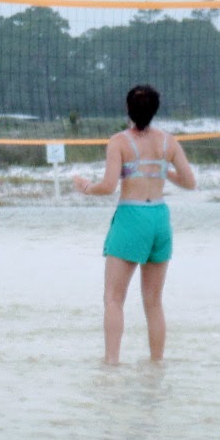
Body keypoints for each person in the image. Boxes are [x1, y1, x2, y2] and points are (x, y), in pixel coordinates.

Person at [73, 85, 196, 365]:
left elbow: (107, 186)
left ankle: (112, 363)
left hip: (132, 217)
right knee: (153, 302)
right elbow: (190, 182)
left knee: (114, 299)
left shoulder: (119, 141)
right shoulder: (169, 142)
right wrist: (162, 169)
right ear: (155, 110)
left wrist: (85, 187)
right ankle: (156, 365)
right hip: (160, 219)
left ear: (128, 109)